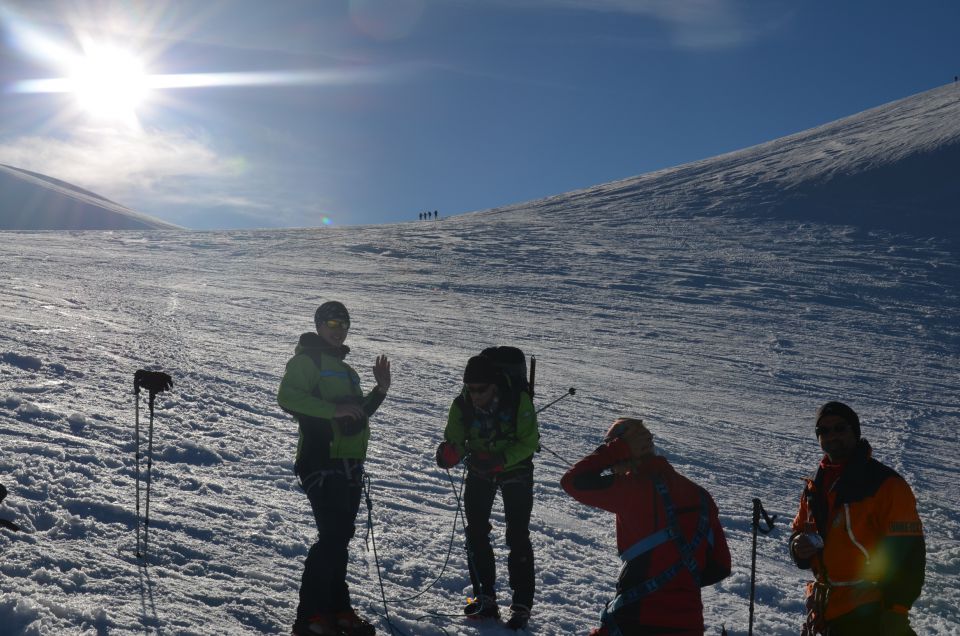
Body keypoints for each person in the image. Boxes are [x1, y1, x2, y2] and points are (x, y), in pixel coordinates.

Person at [278, 301, 391, 636]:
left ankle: (337, 610)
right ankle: (310, 616)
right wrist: (332, 410)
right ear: (318, 326)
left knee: (340, 537)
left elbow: (356, 414)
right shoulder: (306, 360)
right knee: (333, 536)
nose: (337, 328)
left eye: (343, 323)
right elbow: (287, 397)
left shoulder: (348, 371)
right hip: (319, 459)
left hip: (350, 463)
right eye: (331, 322)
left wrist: (379, 391)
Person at [561, 418, 731, 636]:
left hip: (636, 620)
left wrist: (615, 451)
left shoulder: (632, 489)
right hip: (690, 624)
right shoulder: (701, 495)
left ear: (624, 450)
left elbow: (572, 481)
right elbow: (720, 566)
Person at [790, 402, 925, 636]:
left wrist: (896, 610)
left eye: (840, 428)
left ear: (855, 431)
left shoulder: (886, 485)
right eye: (824, 431)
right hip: (826, 609)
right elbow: (799, 530)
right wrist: (797, 546)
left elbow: (909, 552)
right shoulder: (815, 486)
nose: (832, 435)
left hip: (871, 611)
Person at [435, 354, 540, 630]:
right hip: (481, 467)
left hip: (515, 466)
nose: (475, 394)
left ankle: (521, 605)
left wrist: (501, 461)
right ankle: (485, 598)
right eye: (470, 389)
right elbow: (455, 439)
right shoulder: (461, 405)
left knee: (517, 533)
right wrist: (449, 454)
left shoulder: (519, 401)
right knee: (476, 530)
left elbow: (529, 442)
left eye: (481, 389)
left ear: (494, 385)